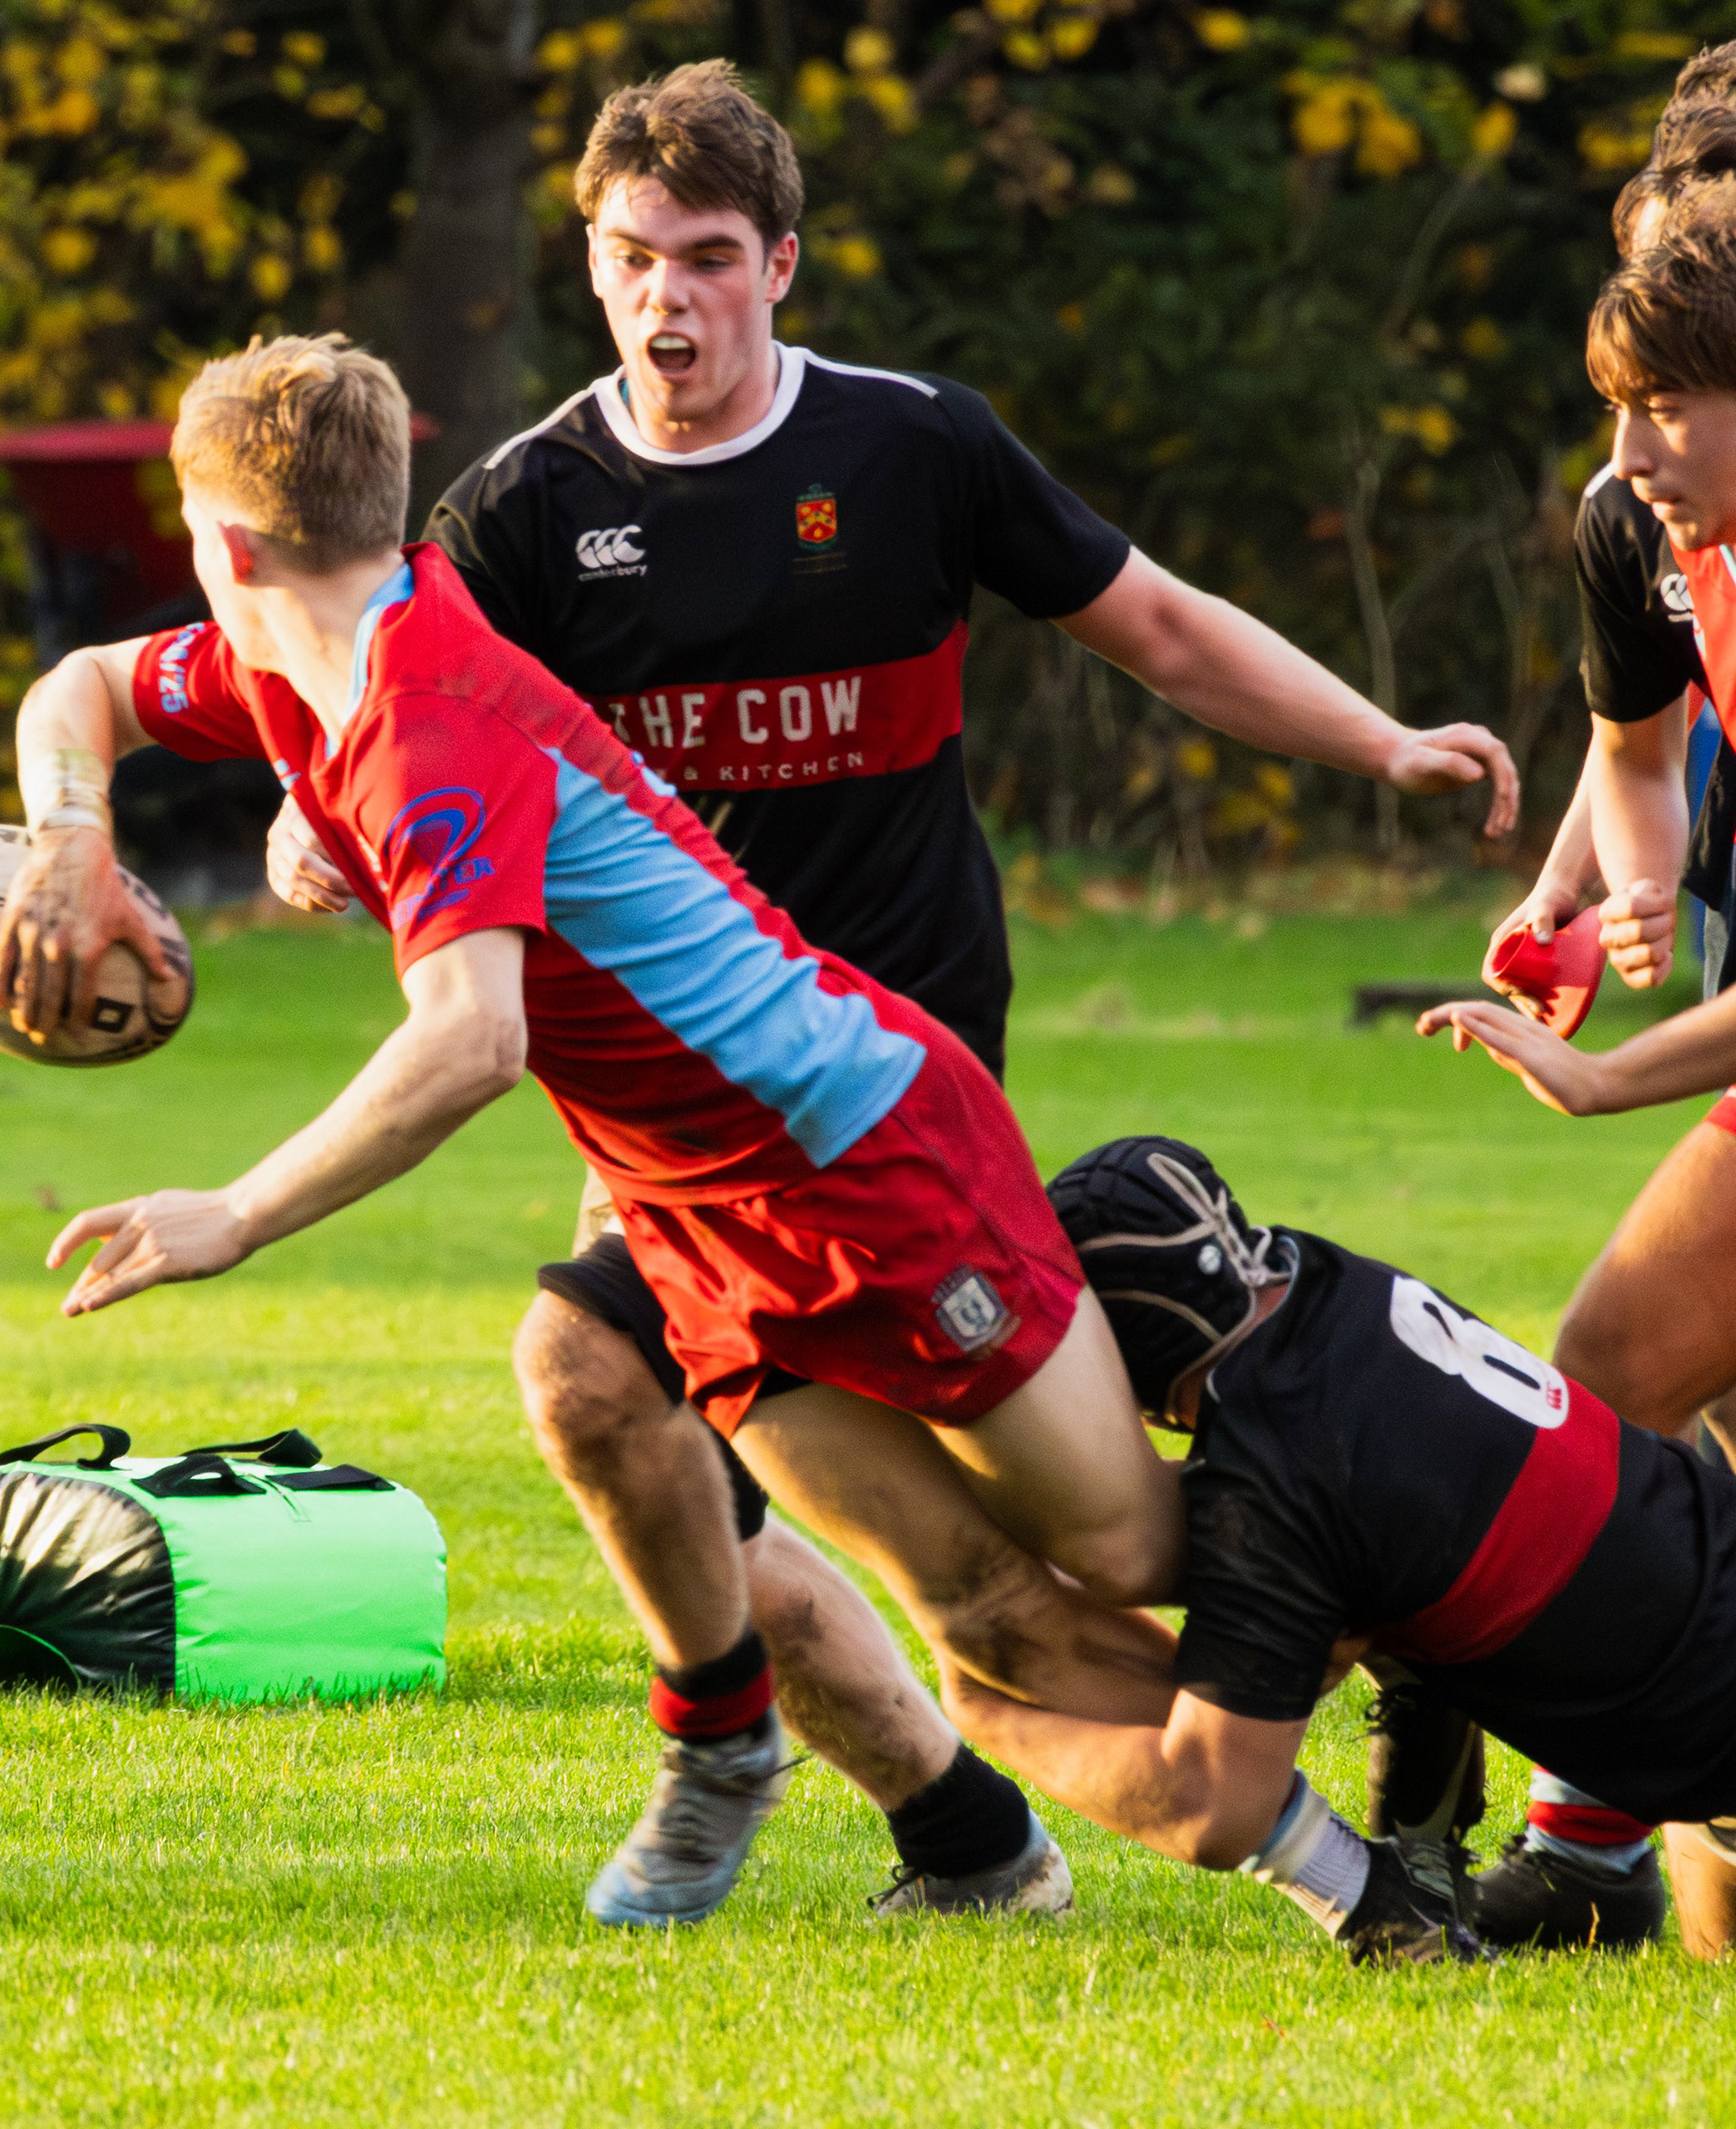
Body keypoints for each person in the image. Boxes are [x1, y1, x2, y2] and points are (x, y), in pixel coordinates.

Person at [183, 61, 1518, 1920]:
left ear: (781, 264)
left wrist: (1379, 744)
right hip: (663, 1117)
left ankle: (1357, 1642)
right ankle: (906, 1804)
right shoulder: (525, 512)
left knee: (1063, 1542)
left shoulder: (911, 447)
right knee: (638, 1418)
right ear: (588, 266)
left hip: (880, 1087)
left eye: (710, 258)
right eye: (634, 257)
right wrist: (293, 836)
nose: (670, 298)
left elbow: (1159, 628)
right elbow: (361, 720)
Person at [1, 328, 1190, 1931]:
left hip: (854, 1150)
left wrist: (237, 1212)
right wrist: (69, 840)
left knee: (1092, 1570)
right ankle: (747, 1753)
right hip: (693, 1190)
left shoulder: (427, 717)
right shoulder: (294, 654)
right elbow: (79, 686)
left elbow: (472, 1041)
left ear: (224, 546)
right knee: (591, 1386)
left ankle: (1421, 1590)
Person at [951, 1136, 1736, 1964]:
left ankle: (1446, 1876)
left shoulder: (1275, 1481)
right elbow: (1359, 1531)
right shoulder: (1328, 1283)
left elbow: (1216, 1806)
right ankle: (1512, 1864)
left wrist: (994, 1716)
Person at [1447, 83, 1736, 1951]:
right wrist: (1597, 901)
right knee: (1613, 1367)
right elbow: (1637, 760)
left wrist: (1615, 1076)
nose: (1628, 452)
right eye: (1618, 401)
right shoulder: (1684, 523)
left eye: (1664, 404)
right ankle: (1596, 1831)